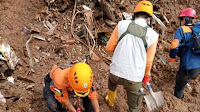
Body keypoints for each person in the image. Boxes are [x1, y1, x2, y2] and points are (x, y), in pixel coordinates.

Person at [105, 0, 159, 112]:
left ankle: (110, 101)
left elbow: (109, 48)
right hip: (134, 78)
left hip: (116, 73)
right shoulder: (153, 35)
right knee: (134, 107)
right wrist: (146, 76)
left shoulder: (121, 25)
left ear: (134, 14)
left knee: (112, 83)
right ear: (149, 19)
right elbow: (148, 62)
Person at [169, 8, 200, 99]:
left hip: (187, 66)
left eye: (180, 19)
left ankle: (177, 102)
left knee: (178, 87)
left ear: (184, 19)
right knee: (186, 78)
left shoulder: (181, 29)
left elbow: (174, 46)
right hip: (198, 66)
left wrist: (172, 57)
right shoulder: (197, 31)